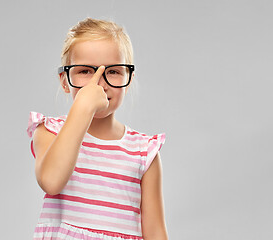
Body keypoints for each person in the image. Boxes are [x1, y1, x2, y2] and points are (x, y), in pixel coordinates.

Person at [26, 17, 168, 240]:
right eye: (85, 71)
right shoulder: (49, 132)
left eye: (113, 71)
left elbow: (156, 232)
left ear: (128, 79)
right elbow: (51, 182)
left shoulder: (144, 152)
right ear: (65, 81)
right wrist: (83, 107)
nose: (99, 82)